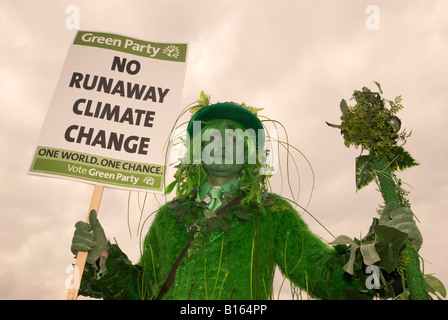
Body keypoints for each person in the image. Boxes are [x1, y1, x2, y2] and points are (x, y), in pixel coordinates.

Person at [71, 101, 423, 300]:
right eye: (212, 136)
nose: (224, 142)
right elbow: (142, 291)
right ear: (195, 151)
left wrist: (386, 249)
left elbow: (326, 277)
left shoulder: (273, 214)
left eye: (237, 138)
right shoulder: (168, 217)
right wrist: (101, 258)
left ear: (252, 155)